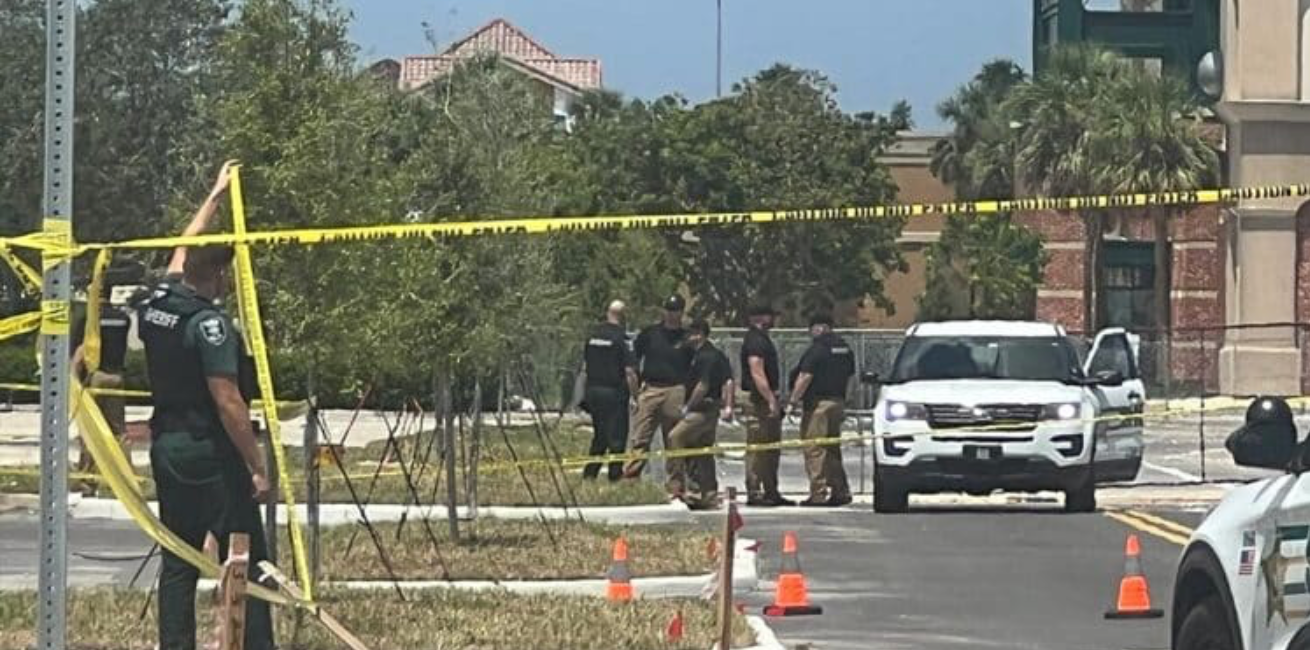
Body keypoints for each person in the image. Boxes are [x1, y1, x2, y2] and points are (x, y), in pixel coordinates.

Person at [136, 161, 275, 650]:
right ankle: (255, 643)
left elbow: (183, 244)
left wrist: (216, 195)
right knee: (248, 555)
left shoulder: (160, 301)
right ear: (217, 273)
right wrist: (256, 466)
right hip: (210, 452)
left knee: (178, 557)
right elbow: (228, 401)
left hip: (168, 447)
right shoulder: (207, 325)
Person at [71, 261, 142, 495]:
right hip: (117, 377)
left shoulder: (89, 319)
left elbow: (83, 350)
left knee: (91, 430)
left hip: (96, 377)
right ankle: (127, 481)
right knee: (118, 431)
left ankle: (87, 481)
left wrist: (72, 377)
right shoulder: (123, 318)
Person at [788, 313, 855, 507]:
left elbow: (805, 376)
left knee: (814, 448)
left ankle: (818, 493)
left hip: (818, 405)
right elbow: (850, 376)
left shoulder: (818, 349)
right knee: (833, 448)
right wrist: (845, 399)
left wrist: (793, 401)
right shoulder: (844, 347)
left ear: (817, 327)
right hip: (837, 402)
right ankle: (840, 490)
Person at [623, 294, 693, 478]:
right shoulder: (650, 334)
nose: (671, 315)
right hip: (651, 388)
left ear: (681, 312)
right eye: (669, 310)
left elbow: (695, 365)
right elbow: (632, 360)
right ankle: (631, 478)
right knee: (640, 436)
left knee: (674, 439)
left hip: (676, 389)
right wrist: (635, 390)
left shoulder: (687, 337)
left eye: (676, 311)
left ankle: (676, 484)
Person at [666, 319, 733, 509]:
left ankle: (676, 488)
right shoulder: (716, 354)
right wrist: (728, 406)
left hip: (701, 410)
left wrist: (687, 407)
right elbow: (728, 381)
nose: (687, 337)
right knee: (703, 451)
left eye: (690, 333)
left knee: (675, 438)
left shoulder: (706, 356)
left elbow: (702, 386)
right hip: (711, 410)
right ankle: (707, 493)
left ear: (699, 334)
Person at [740, 304, 794, 507]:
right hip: (758, 401)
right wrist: (770, 399)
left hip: (768, 399)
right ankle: (755, 492)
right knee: (757, 449)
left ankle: (771, 491)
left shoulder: (763, 339)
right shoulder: (754, 340)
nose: (774, 320)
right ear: (760, 318)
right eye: (771, 316)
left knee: (771, 448)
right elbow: (757, 371)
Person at [581, 300, 639, 481]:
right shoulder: (622, 339)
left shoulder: (592, 336)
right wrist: (635, 396)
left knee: (600, 435)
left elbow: (584, 367)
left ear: (607, 313)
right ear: (623, 317)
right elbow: (629, 372)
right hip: (614, 393)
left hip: (593, 390)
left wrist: (582, 394)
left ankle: (590, 474)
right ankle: (615, 476)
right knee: (617, 438)